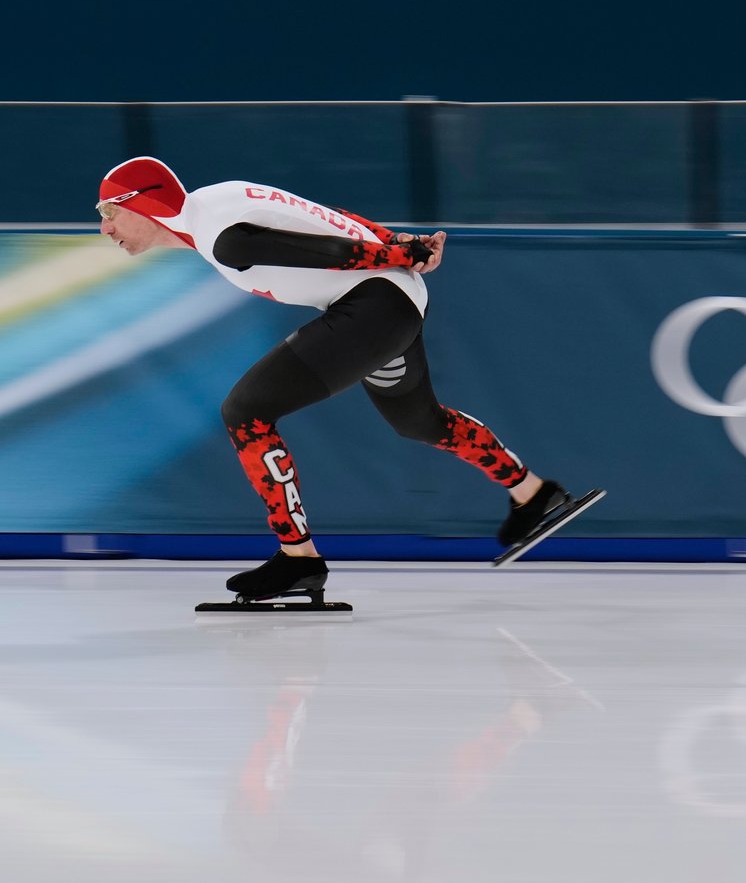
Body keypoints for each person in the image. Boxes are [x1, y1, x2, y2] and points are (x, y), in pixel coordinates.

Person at [97, 157, 582, 601]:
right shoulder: (217, 201)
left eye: (108, 213)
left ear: (140, 204)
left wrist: (399, 253)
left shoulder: (221, 237)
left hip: (374, 304)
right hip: (393, 302)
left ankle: (297, 559)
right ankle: (534, 495)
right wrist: (398, 244)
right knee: (418, 421)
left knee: (245, 412)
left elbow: (325, 249)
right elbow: (331, 216)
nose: (105, 229)